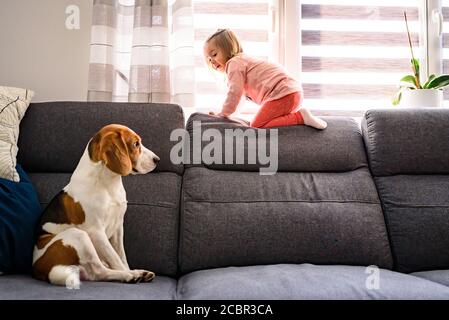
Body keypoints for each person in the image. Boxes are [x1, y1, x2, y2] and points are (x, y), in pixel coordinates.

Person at [203, 29, 327, 129]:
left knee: (257, 125)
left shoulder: (234, 64)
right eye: (209, 59)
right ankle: (298, 116)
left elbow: (234, 93)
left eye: (214, 54)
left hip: (282, 94)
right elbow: (239, 99)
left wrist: (223, 114)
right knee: (262, 122)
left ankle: (300, 117)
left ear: (229, 48)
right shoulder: (242, 61)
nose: (212, 61)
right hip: (291, 93)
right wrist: (228, 116)